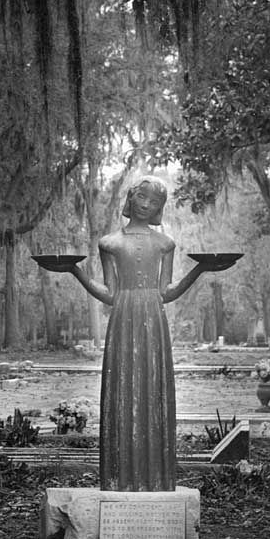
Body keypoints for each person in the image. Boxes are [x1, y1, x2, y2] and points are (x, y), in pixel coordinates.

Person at [64, 175, 234, 491]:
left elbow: (166, 291)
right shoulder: (109, 243)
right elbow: (110, 293)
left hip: (153, 317)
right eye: (143, 197)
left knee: (153, 385)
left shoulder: (164, 244)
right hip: (123, 314)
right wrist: (75, 271)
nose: (147, 205)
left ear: (159, 208)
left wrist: (199, 270)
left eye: (155, 202)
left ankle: (156, 476)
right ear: (132, 197)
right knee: (121, 385)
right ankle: (118, 477)